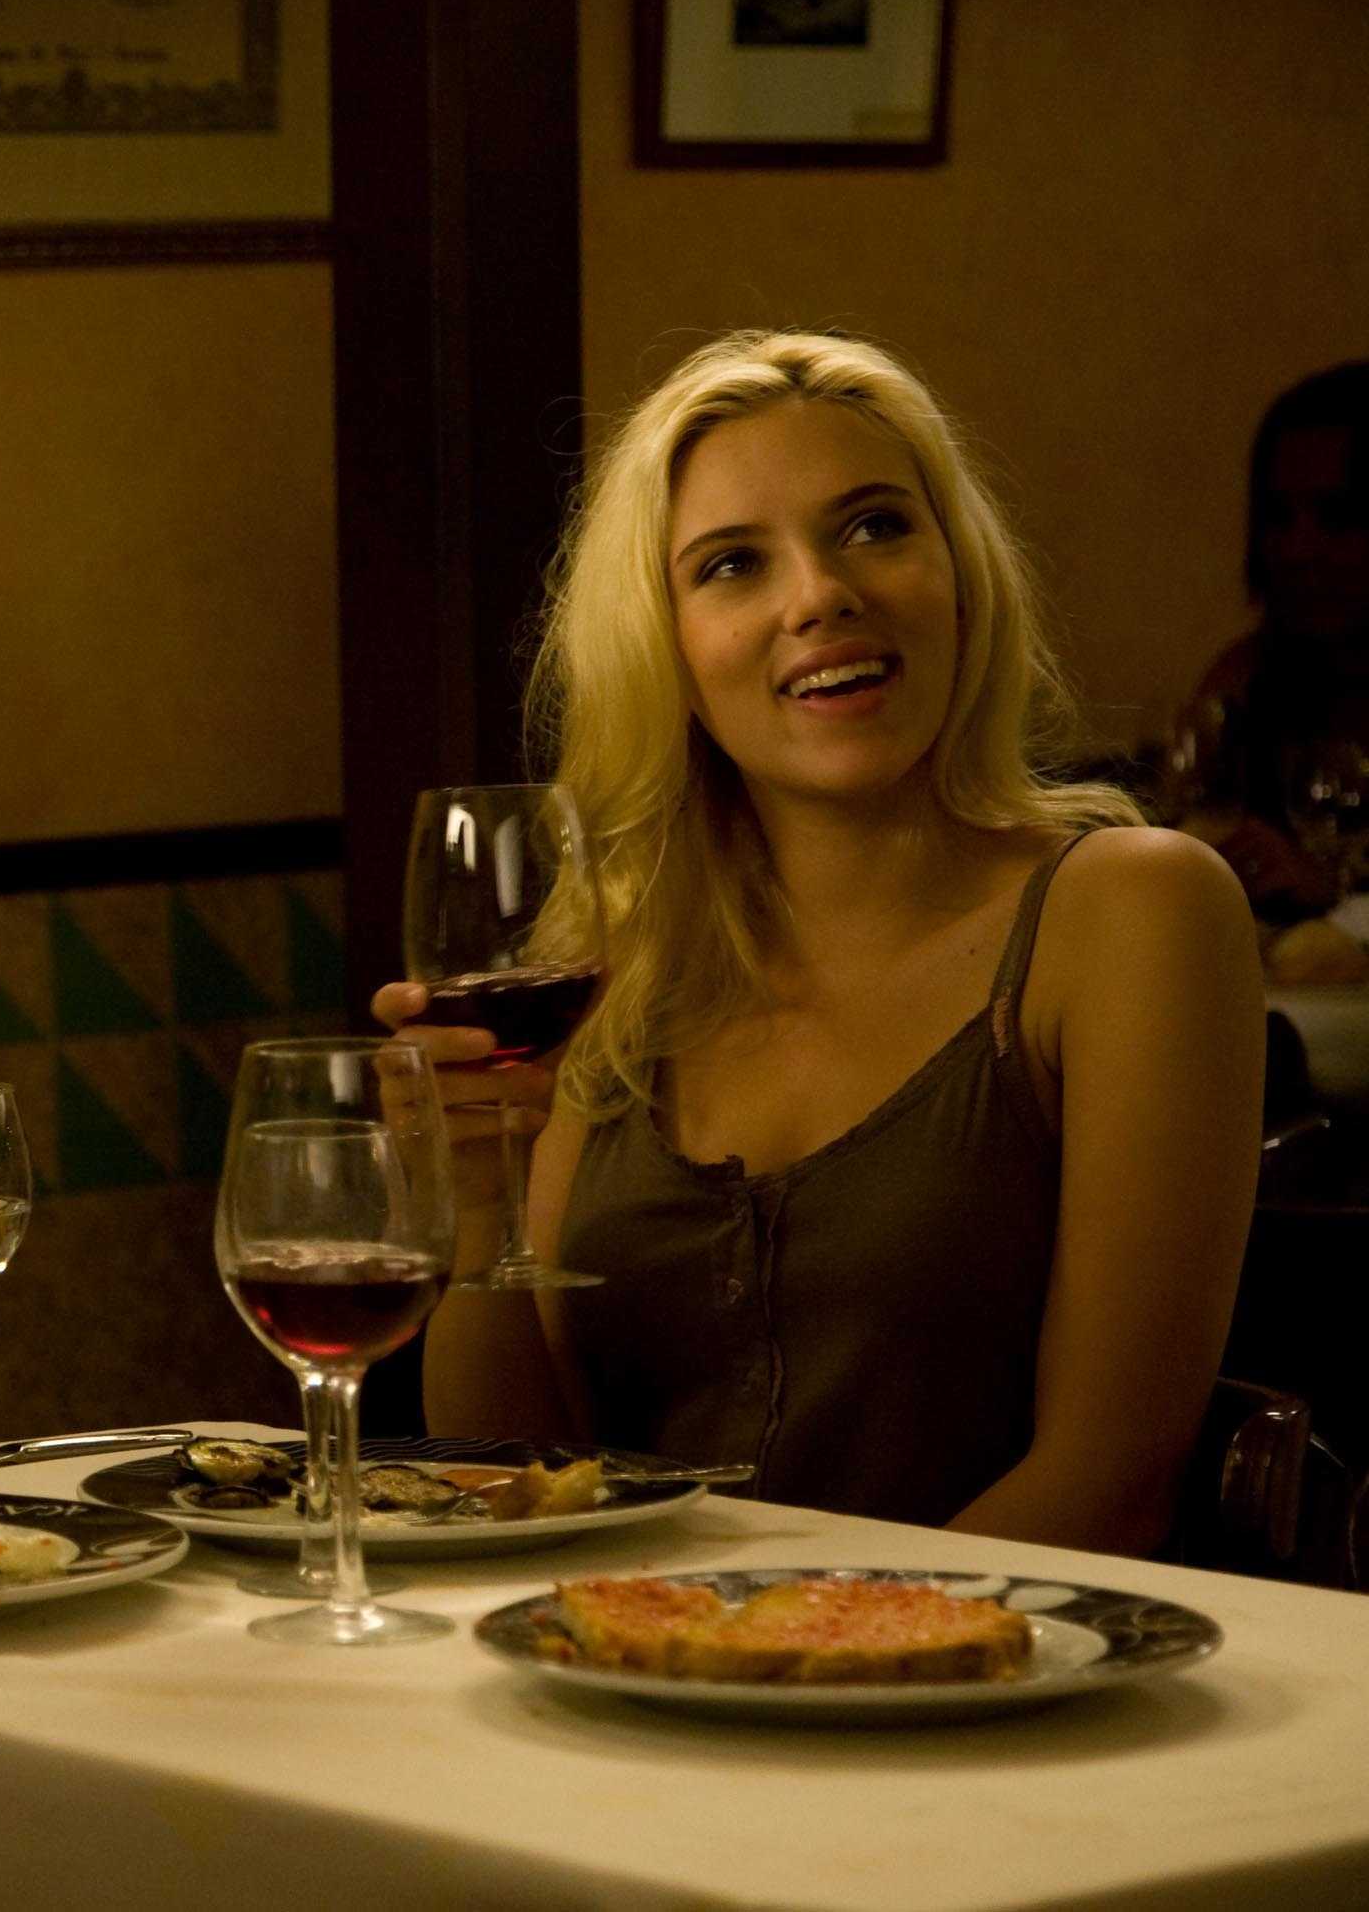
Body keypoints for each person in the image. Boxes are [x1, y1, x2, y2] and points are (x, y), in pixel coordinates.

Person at [395, 330, 1264, 1559]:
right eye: (732, 565)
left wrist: (780, 1647)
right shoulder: (615, 964)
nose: (820, 596)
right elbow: (517, 1486)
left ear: (959, 574)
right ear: (666, 646)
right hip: (625, 1657)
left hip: (998, 1665)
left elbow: (1109, 1487)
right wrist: (480, 1211)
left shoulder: (1133, 912)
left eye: (873, 527)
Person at [1160, 362, 1369, 927]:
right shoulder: (1249, 680)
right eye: (1279, 517)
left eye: (1337, 518)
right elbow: (1193, 816)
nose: (1297, 549)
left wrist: (1333, 893)